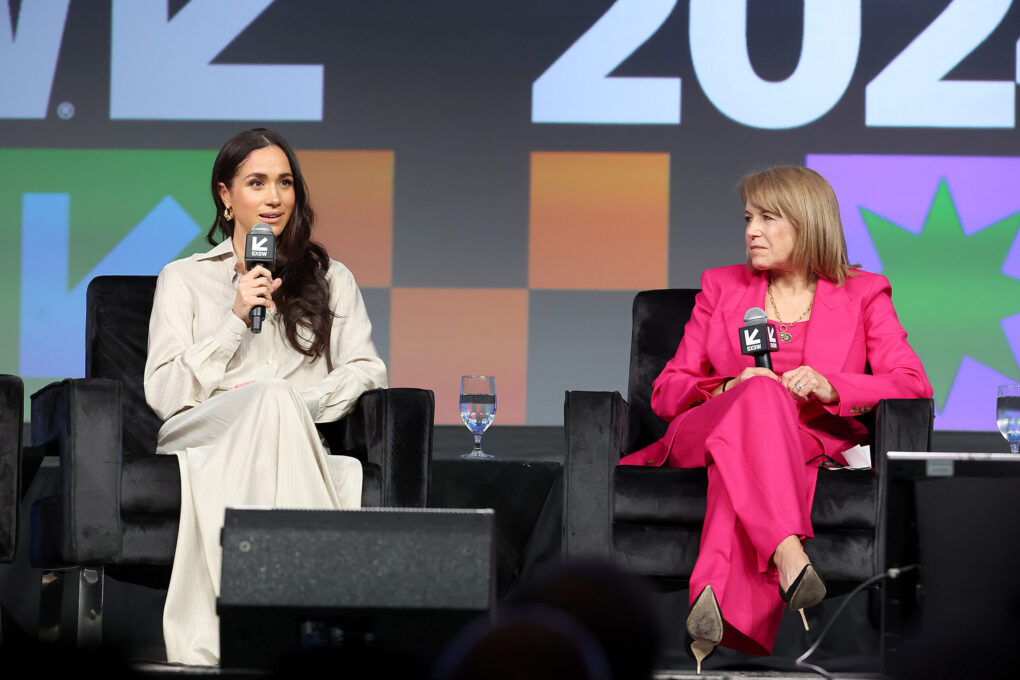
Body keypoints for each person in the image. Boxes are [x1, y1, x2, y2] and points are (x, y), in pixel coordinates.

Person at [618, 166, 932, 672]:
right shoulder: (721, 287)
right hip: (708, 429)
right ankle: (787, 551)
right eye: (748, 218)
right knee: (759, 390)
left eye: (768, 218)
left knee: (741, 458)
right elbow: (666, 392)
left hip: (803, 442)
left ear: (808, 224)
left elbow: (912, 383)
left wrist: (835, 386)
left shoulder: (863, 293)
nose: (751, 231)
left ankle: (711, 604)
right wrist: (728, 386)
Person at [143, 128, 387, 665]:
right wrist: (234, 318)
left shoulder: (330, 278)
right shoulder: (183, 279)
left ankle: (246, 629)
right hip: (202, 425)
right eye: (257, 183)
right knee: (282, 408)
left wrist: (303, 404)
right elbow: (164, 393)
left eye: (285, 182)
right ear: (226, 197)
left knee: (276, 398)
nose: (274, 197)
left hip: (290, 427)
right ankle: (322, 614)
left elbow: (369, 370)